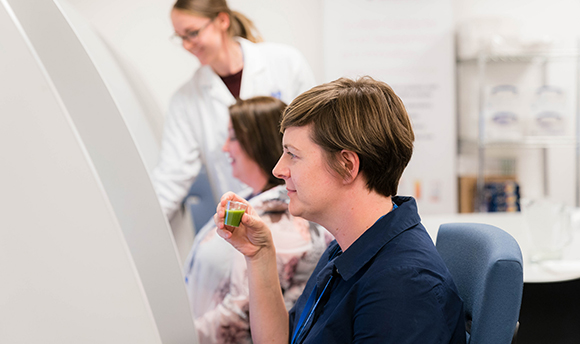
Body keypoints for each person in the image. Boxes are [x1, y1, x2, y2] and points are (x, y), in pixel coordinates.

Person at [214, 77, 466, 343]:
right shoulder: (347, 248)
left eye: (293, 154)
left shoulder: (402, 286)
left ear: (347, 165)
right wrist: (260, 255)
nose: (279, 170)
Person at [183, 96, 331, 344]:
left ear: (256, 141)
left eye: (232, 137)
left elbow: (243, 311)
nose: (224, 148)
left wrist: (173, 335)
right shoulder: (253, 201)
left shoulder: (281, 220)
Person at [151, 0, 316, 220]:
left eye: (192, 33)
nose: (187, 45)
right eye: (181, 37)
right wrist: (144, 225)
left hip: (302, 206)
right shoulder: (186, 100)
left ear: (222, 20)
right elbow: (172, 176)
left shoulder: (285, 63)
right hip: (240, 216)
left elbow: (315, 138)